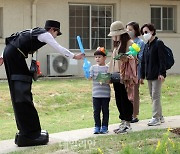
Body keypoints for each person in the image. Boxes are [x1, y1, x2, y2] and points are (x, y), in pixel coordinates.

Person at [0, 20, 84, 147]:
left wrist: (2, 56)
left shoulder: (33, 32)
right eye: (57, 33)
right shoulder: (45, 34)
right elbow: (58, 47)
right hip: (14, 55)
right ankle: (30, 134)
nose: (55, 36)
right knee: (22, 92)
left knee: (19, 91)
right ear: (52, 29)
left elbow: (14, 41)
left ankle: (26, 131)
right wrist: (74, 56)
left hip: (10, 53)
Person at [108, 21, 136, 134]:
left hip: (125, 76)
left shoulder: (130, 43)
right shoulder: (117, 44)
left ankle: (128, 123)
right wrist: (109, 74)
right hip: (116, 76)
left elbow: (134, 56)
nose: (113, 37)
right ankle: (123, 121)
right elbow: (112, 62)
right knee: (119, 99)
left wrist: (127, 57)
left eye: (114, 34)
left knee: (125, 99)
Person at [140, 23, 166, 126]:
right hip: (149, 75)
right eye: (143, 33)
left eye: (146, 32)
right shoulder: (147, 45)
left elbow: (162, 60)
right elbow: (143, 62)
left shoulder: (158, 43)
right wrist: (142, 76)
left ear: (152, 31)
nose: (144, 34)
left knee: (155, 96)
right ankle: (160, 116)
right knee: (153, 96)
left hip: (157, 75)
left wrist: (162, 73)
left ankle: (156, 118)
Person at [126, 21, 145, 123]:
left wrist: (134, 56)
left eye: (130, 30)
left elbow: (141, 58)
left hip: (136, 71)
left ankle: (134, 115)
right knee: (127, 94)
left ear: (136, 30)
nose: (128, 32)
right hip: (126, 71)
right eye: (127, 29)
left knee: (134, 93)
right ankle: (128, 114)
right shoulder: (126, 41)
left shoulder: (140, 43)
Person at [89, 47, 111, 134]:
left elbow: (110, 80)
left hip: (105, 94)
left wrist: (105, 79)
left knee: (105, 110)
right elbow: (90, 78)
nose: (97, 59)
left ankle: (105, 126)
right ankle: (97, 126)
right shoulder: (93, 68)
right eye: (96, 57)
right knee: (96, 111)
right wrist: (88, 74)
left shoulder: (108, 68)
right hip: (96, 93)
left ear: (104, 57)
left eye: (99, 57)